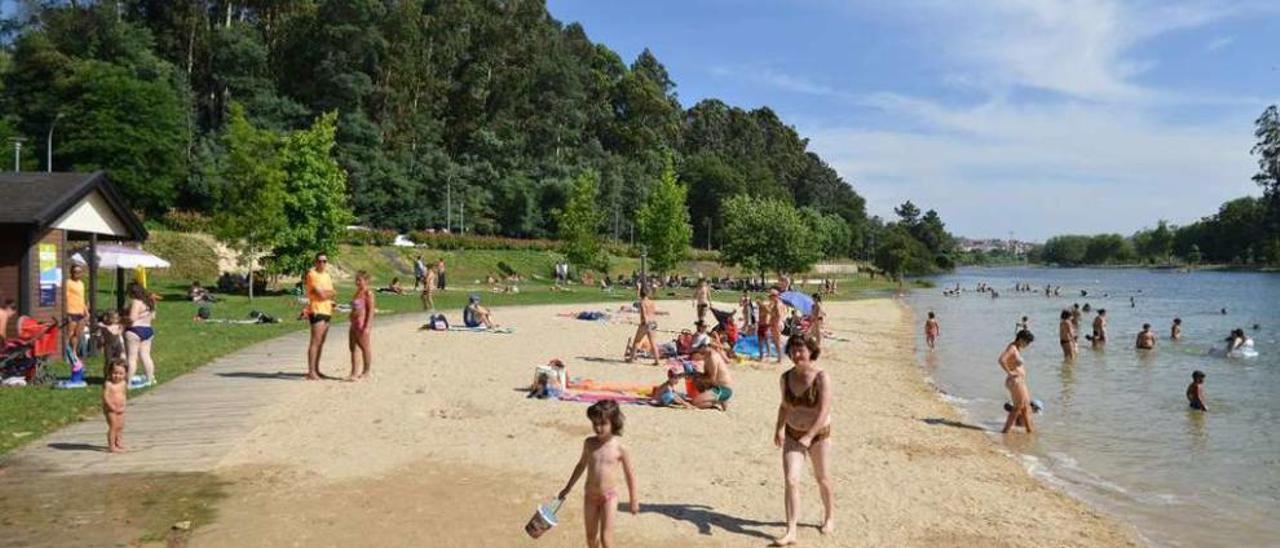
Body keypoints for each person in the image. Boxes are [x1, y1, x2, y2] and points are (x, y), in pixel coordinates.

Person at [772, 334, 834, 545]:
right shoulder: (785, 377)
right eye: (793, 350)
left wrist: (809, 436)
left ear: (810, 352)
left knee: (822, 478)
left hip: (818, 435)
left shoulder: (821, 377)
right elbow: (784, 406)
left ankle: (829, 517)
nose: (796, 354)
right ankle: (791, 531)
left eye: (801, 350)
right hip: (792, 433)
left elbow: (824, 411)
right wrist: (778, 429)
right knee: (791, 480)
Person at [558, 400, 639, 548]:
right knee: (590, 538)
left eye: (603, 424)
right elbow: (581, 465)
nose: (598, 427)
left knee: (606, 539)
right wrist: (568, 487)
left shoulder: (620, 448)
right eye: (595, 423)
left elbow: (630, 475)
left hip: (609, 497)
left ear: (613, 423)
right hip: (590, 496)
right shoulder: (589, 443)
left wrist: (633, 500)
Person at [304, 252, 336, 381]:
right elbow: (321, 295)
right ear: (315, 262)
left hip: (327, 310)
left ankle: (316, 369)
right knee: (315, 341)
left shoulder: (327, 276)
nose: (322, 263)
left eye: (324, 261)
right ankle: (311, 372)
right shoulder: (312, 275)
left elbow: (332, 293)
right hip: (317, 310)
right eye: (320, 261)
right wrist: (326, 293)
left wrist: (326, 293)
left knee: (321, 342)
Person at [999, 330, 1036, 434]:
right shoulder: (1012, 348)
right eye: (1027, 342)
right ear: (1021, 339)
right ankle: (1005, 431)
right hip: (1015, 381)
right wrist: (1010, 372)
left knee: (1026, 406)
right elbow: (1001, 360)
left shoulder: (1016, 348)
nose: (1027, 345)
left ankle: (1029, 430)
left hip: (1019, 381)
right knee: (1018, 407)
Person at [124, 282, 157, 389]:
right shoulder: (150, 302)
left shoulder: (136, 302)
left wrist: (122, 320)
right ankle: (150, 378)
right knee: (146, 355)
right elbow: (153, 317)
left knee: (132, 358)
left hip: (135, 330)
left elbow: (132, 318)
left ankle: (128, 382)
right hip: (147, 329)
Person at [690, 338, 734, 410]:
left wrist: (698, 376)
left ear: (704, 347)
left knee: (695, 403)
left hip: (722, 389)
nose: (697, 350)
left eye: (698, 348)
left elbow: (712, 379)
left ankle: (715, 403)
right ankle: (709, 398)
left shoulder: (712, 358)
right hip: (717, 386)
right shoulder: (707, 355)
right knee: (696, 379)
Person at [347, 271, 375, 381]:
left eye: (360, 280)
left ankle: (366, 371)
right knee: (353, 348)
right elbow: (355, 308)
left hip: (362, 324)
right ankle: (354, 372)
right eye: (356, 280)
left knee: (365, 348)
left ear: (366, 281)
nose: (357, 282)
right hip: (354, 323)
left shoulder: (368, 293)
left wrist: (367, 327)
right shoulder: (357, 292)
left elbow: (371, 311)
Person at [624, 286, 662, 366]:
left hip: (645, 323)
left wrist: (643, 322)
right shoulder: (651, 302)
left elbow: (644, 314)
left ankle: (631, 359)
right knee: (653, 343)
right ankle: (657, 361)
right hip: (653, 322)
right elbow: (653, 313)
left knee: (637, 341)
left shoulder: (642, 303)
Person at [102, 360, 128, 453]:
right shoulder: (108, 384)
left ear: (125, 374)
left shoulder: (123, 383)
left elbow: (124, 395)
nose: (117, 376)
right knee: (113, 426)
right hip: (110, 409)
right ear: (109, 372)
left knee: (120, 426)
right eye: (115, 373)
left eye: (121, 373)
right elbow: (105, 397)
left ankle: (118, 442)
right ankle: (112, 446)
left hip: (120, 408)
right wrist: (110, 406)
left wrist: (124, 405)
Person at [64, 265, 88, 361]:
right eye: (75, 272)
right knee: (69, 333)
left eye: (79, 272)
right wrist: (66, 312)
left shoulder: (81, 284)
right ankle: (65, 353)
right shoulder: (68, 283)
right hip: (71, 311)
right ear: (71, 272)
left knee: (77, 334)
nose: (77, 274)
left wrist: (86, 311)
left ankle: (74, 352)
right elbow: (65, 298)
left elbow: (82, 299)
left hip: (80, 312)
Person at [766, 289, 785, 364]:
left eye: (770, 296)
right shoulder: (779, 303)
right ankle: (779, 357)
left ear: (775, 296)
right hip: (777, 323)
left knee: (777, 341)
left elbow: (779, 315)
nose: (769, 298)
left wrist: (772, 313)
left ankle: (780, 358)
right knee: (776, 341)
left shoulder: (777, 304)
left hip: (776, 324)